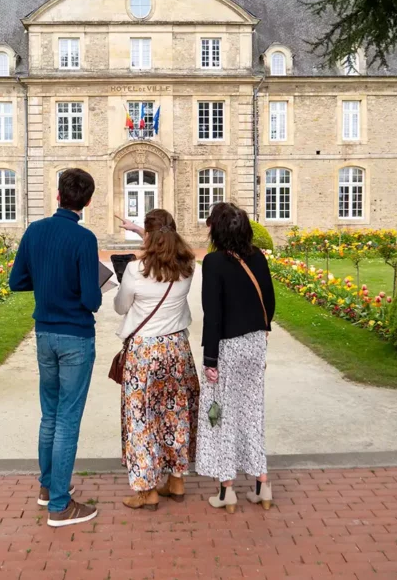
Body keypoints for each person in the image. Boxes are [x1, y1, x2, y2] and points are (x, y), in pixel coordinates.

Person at [9, 168, 102, 528]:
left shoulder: (35, 231)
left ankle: (48, 488)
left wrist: (47, 280)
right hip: (76, 336)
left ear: (58, 195)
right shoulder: (84, 239)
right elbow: (92, 300)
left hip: (45, 334)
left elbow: (17, 280)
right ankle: (60, 506)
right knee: (67, 419)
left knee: (49, 414)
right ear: (88, 201)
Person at [113, 209, 199, 511]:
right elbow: (164, 242)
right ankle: (176, 480)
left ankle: (146, 488)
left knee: (141, 419)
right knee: (175, 414)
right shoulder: (187, 266)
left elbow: (121, 307)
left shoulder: (136, 270)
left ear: (149, 236)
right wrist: (141, 230)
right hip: (176, 349)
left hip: (144, 353)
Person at [195, 202, 276, 513]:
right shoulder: (258, 258)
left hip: (227, 347)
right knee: (253, 412)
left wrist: (210, 360)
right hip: (255, 343)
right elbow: (269, 301)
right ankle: (262, 484)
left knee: (222, 416)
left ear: (216, 230)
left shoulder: (214, 263)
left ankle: (227, 489)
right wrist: (260, 331)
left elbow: (212, 315)